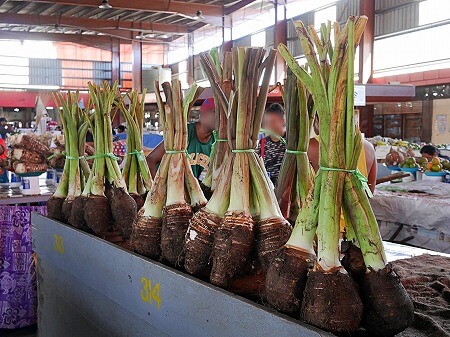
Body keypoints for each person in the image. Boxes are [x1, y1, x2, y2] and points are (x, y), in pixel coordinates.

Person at [146, 98, 215, 180]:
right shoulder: (183, 133)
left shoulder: (215, 141)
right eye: (216, 112)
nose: (222, 119)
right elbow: (150, 160)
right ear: (203, 112)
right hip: (166, 187)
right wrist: (155, 188)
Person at [307, 115, 377, 194]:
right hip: (358, 205)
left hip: (320, 205)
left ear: (317, 119)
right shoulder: (368, 147)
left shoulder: (310, 146)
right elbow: (370, 191)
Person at [257, 103, 286, 187]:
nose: (270, 126)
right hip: (269, 189)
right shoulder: (262, 143)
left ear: (282, 121)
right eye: (267, 123)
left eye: (273, 122)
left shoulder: (291, 143)